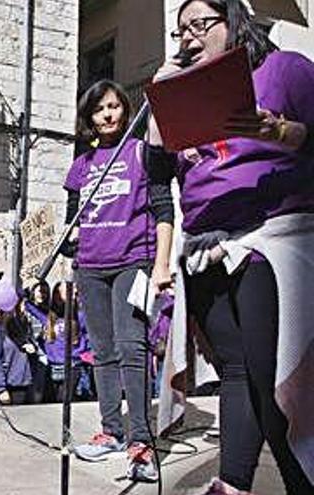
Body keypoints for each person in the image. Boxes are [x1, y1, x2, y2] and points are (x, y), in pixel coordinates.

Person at [149, 1, 314, 493]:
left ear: (235, 21)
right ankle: (234, 483)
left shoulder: (283, 69)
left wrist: (278, 130)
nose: (189, 37)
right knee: (237, 373)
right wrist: (160, 100)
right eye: (181, 31)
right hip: (207, 246)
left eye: (201, 24)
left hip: (272, 235)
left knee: (270, 381)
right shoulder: (183, 97)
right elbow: (159, 178)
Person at [60, 79, 160, 482]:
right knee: (101, 351)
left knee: (131, 347)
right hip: (91, 266)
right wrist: (69, 246)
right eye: (101, 108)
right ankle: (111, 432)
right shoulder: (81, 166)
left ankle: (140, 440)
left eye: (116, 106)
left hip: (133, 260)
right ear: (89, 117)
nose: (109, 114)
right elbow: (73, 220)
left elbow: (160, 203)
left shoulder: (140, 152)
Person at [0, 279, 33, 406]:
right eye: (21, 304)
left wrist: (30, 347)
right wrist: (1, 389)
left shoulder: (16, 325)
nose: (24, 307)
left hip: (22, 383)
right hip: (8, 387)